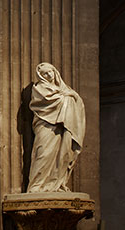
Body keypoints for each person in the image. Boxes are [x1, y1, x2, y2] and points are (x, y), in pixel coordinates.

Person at [27, 62, 86, 192]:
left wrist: (71, 97)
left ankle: (55, 184)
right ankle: (36, 186)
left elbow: (76, 102)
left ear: (55, 72)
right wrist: (68, 97)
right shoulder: (39, 88)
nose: (48, 75)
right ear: (40, 76)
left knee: (62, 154)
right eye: (44, 74)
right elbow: (42, 103)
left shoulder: (66, 90)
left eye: (50, 72)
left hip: (62, 126)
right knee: (43, 153)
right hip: (45, 125)